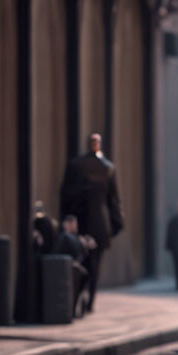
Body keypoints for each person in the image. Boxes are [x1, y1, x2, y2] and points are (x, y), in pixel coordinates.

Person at [59, 133, 123, 312]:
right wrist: (116, 225)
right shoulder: (107, 168)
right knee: (92, 265)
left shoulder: (78, 165)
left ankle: (81, 300)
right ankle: (87, 301)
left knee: (83, 263)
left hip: (81, 223)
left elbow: (66, 195)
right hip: (97, 224)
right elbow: (114, 201)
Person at [55, 214, 95, 317]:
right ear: (67, 224)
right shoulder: (66, 237)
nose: (75, 227)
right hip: (68, 268)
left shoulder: (74, 237)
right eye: (73, 224)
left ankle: (76, 308)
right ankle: (74, 309)